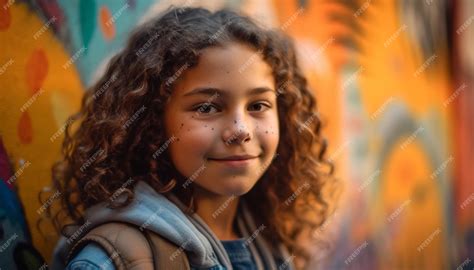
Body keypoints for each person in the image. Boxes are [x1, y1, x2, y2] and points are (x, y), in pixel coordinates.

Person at [49, 6, 334, 270]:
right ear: (153, 123)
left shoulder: (270, 239)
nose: (241, 129)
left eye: (258, 106)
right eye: (207, 107)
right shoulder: (115, 259)